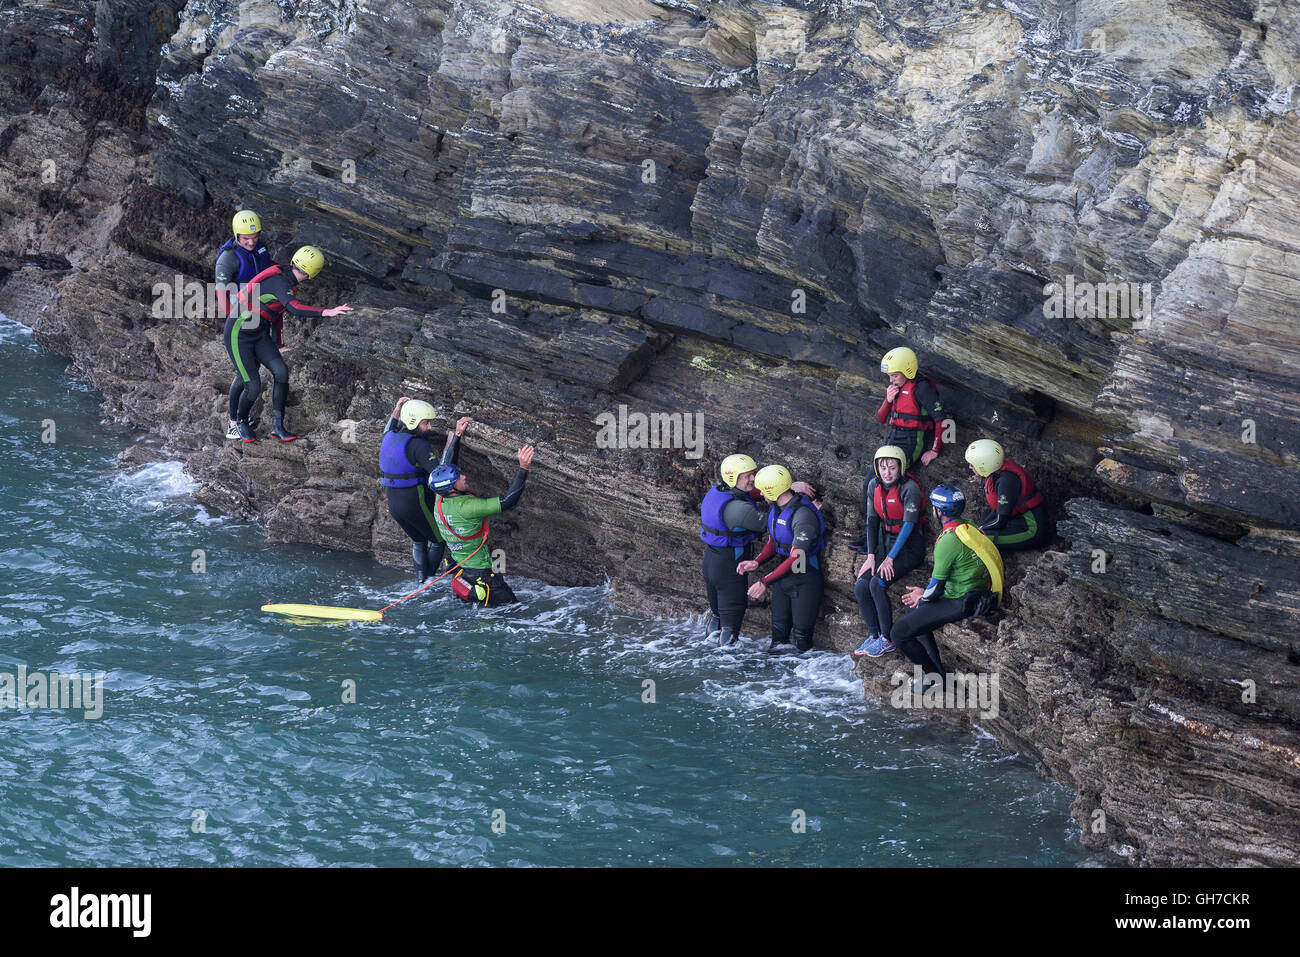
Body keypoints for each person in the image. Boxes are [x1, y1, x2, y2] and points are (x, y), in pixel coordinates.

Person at [224, 245, 352, 442]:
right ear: (313, 272)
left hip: (258, 333)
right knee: (252, 385)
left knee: (281, 372)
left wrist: (279, 343)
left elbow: (276, 313)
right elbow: (294, 307)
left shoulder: (287, 279)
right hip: (237, 334)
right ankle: (238, 424)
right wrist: (326, 311)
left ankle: (277, 426)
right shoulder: (280, 282)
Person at [889, 485, 1003, 692]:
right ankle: (934, 672)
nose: (932, 511)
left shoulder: (948, 540)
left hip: (960, 602)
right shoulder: (969, 526)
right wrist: (921, 598)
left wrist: (922, 595)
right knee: (913, 609)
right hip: (976, 592)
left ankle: (934, 678)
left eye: (934, 507)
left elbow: (936, 590)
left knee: (898, 632)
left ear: (939, 511)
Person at [699, 455, 819, 647]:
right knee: (730, 623)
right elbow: (774, 526)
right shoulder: (740, 509)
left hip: (713, 562)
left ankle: (710, 658)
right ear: (734, 478)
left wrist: (757, 563)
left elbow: (759, 497)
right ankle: (725, 667)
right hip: (730, 569)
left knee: (718, 617)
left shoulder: (718, 491)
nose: (753, 480)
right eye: (748, 475)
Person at [429, 426, 535, 607]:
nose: (464, 476)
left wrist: (457, 436)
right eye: (458, 478)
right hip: (481, 573)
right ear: (451, 488)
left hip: (461, 569)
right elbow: (508, 501)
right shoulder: (468, 507)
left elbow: (445, 464)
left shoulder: (440, 497)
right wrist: (523, 468)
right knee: (513, 609)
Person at [737, 465, 825, 653]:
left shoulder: (803, 516)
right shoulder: (776, 508)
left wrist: (764, 582)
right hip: (784, 580)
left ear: (773, 490)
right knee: (777, 637)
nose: (759, 493)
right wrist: (757, 561)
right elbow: (774, 541)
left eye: (762, 489)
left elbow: (796, 558)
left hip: (805, 580)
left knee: (802, 640)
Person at [850, 445, 928, 658]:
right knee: (860, 586)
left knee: (877, 583)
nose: (887, 472)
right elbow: (872, 521)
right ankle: (874, 636)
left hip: (909, 546)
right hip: (884, 544)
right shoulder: (874, 485)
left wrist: (890, 558)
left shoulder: (909, 488)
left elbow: (908, 526)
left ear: (900, 467)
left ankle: (887, 639)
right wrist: (871, 556)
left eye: (892, 468)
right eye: (883, 468)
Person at [381, 398, 471, 581]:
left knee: (419, 540)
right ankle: (427, 582)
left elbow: (390, 424)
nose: (430, 427)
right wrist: (455, 439)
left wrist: (397, 408)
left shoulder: (389, 436)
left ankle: (421, 581)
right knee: (439, 540)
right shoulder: (418, 445)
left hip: (394, 505)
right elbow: (440, 476)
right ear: (414, 422)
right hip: (415, 503)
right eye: (426, 423)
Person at [215, 210, 274, 440]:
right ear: (236, 235)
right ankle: (233, 424)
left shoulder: (260, 246)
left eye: (255, 237)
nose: (251, 242)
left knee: (248, 371)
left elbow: (268, 269)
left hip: (259, 315)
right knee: (245, 376)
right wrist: (233, 323)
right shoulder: (228, 258)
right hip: (241, 321)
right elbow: (221, 294)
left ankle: (239, 417)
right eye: (245, 239)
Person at [964, 439, 1054, 551]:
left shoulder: (1006, 482)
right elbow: (997, 511)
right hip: (1016, 520)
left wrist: (980, 531)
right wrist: (980, 527)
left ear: (984, 464)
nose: (970, 467)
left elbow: (1000, 520)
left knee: (978, 539)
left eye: (972, 465)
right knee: (977, 533)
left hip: (1031, 530)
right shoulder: (996, 474)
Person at [877, 346, 945, 469]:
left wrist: (935, 450)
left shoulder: (922, 388)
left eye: (895, 376)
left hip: (912, 441)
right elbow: (881, 419)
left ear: (908, 371)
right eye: (889, 376)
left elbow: (941, 420)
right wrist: (888, 400)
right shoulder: (896, 386)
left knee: (892, 473)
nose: (891, 380)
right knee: (870, 480)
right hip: (892, 438)